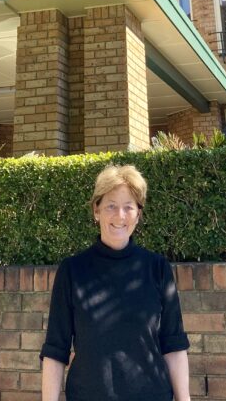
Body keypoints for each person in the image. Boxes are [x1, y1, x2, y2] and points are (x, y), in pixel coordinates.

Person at [40, 164, 190, 401]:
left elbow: (173, 345)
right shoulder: (72, 270)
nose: (120, 216)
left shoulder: (157, 268)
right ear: (96, 210)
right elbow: (55, 350)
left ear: (138, 215)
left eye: (128, 207)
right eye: (111, 206)